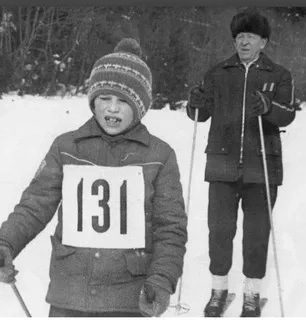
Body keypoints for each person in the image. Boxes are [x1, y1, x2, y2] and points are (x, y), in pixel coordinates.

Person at [0, 38, 188, 317]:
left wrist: (161, 280)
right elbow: (34, 206)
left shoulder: (160, 156)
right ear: (92, 100)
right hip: (70, 296)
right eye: (104, 98)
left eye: (123, 101)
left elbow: (170, 229)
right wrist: (6, 242)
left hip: (129, 300)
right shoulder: (67, 147)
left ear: (140, 106)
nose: (112, 108)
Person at [186, 9, 296, 317]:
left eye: (250, 37)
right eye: (239, 37)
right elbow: (200, 114)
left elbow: (287, 112)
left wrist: (268, 107)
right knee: (219, 231)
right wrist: (194, 103)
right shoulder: (218, 72)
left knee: (256, 233)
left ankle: (251, 293)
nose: (243, 42)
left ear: (263, 42)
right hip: (222, 163)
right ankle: (218, 290)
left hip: (262, 166)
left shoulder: (279, 74)